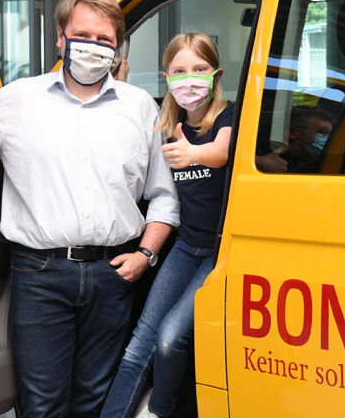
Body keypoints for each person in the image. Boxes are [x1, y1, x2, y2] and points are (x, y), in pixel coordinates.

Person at [0, 0, 179, 417]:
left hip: (113, 275)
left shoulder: (140, 107)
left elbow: (163, 196)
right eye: (81, 34)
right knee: (42, 405)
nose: (93, 45)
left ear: (118, 48)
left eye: (104, 38)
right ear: (60, 38)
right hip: (39, 273)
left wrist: (146, 254)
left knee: (95, 401)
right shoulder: (17, 100)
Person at [102, 32, 234, 417]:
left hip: (218, 251)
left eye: (200, 69)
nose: (189, 79)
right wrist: (118, 85)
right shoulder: (165, 123)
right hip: (185, 247)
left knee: (170, 336)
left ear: (216, 74)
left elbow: (222, 151)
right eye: (179, 71)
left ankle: (158, 410)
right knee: (139, 342)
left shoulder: (229, 116)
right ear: (166, 78)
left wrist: (193, 153)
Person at [255, 107, 335, 173]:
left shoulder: (321, 165)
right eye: (323, 133)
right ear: (292, 132)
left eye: (330, 135)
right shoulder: (255, 147)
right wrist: (259, 163)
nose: (328, 139)